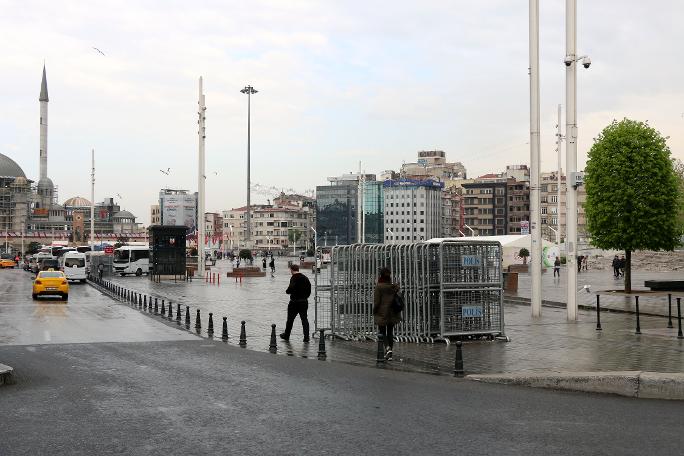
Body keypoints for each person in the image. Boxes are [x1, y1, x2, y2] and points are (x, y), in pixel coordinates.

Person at [373, 267, 401, 361]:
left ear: (381, 275)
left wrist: (374, 310)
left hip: (382, 313)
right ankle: (390, 355)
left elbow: (376, 302)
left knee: (382, 332)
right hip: (392, 312)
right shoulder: (393, 287)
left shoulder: (379, 287)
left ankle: (388, 348)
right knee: (390, 332)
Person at [280, 264, 311, 342]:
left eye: (290, 270)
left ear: (292, 270)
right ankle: (306, 337)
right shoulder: (305, 278)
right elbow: (309, 290)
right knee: (304, 319)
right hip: (304, 302)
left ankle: (286, 335)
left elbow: (290, 289)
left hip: (294, 302)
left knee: (290, 319)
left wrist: (288, 291)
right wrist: (305, 297)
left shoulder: (294, 278)